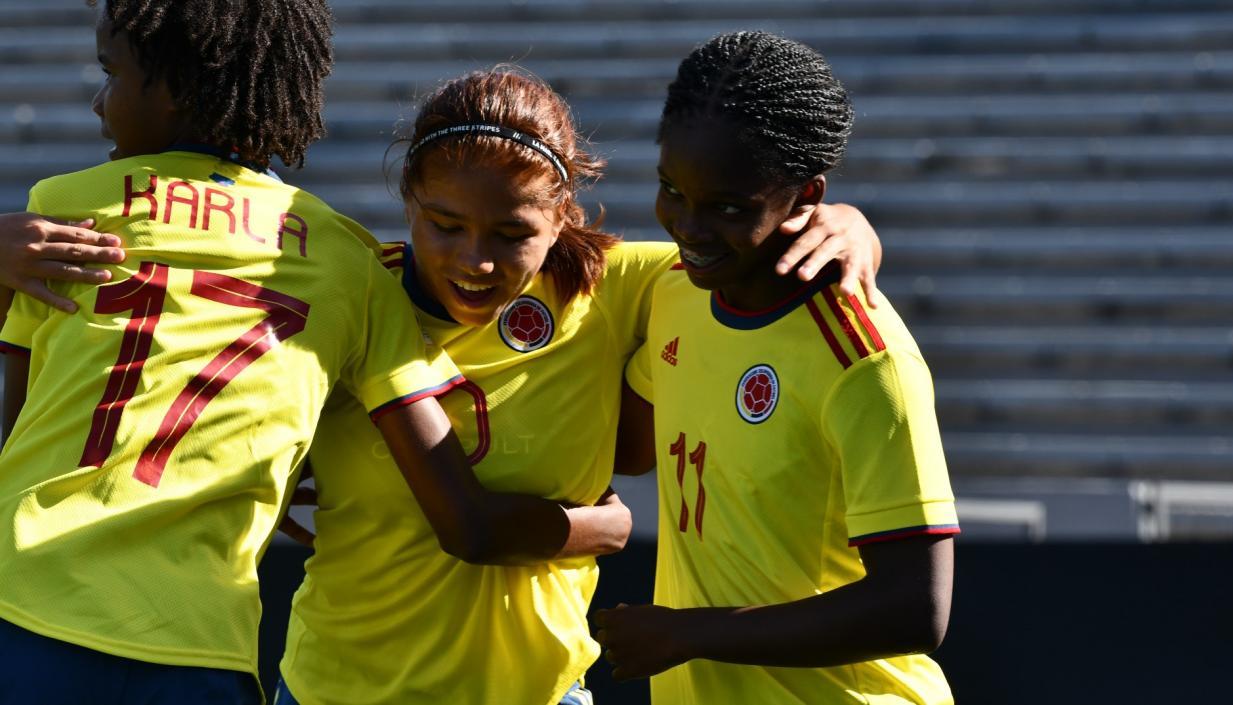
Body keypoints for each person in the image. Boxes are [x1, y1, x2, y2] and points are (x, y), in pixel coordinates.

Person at [0, 67, 883, 705]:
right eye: (445, 224)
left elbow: (747, 246)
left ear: (563, 216)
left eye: (511, 232)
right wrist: (602, 526)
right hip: (337, 688)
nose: (474, 258)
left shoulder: (623, 288)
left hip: (539, 692)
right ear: (407, 203)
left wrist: (847, 220)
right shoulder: (353, 295)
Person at [0, 4, 628, 704]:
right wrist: (610, 523)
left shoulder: (61, 214)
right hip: (197, 643)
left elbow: (20, 430)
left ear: (174, 86)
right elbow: (465, 519)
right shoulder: (344, 258)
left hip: (22, 604)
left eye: (110, 74)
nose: (98, 101)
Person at [595, 32, 959, 705]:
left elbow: (917, 607)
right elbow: (633, 451)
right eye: (671, 190)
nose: (689, 227)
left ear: (805, 195)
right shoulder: (677, 289)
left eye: (728, 207)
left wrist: (689, 634)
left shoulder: (867, 359)